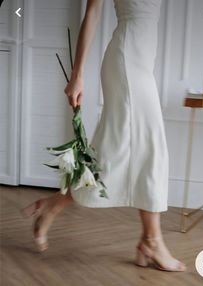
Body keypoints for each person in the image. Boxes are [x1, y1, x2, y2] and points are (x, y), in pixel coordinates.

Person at [21, 0, 186, 272]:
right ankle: (151, 241)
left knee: (125, 151)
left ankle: (54, 206)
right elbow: (93, 12)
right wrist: (77, 74)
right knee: (148, 147)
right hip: (127, 59)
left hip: (141, 59)